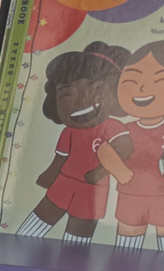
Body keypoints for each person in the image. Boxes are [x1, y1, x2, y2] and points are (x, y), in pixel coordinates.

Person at [13, 44, 126, 241]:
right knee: (41, 217)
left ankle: (73, 259)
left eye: (95, 90)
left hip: (93, 189)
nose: (81, 101)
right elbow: (61, 156)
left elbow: (123, 149)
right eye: (67, 94)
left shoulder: (113, 127)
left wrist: (101, 171)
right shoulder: (68, 132)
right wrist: (50, 173)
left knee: (79, 232)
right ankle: (19, 243)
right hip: (64, 181)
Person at [97, 40, 164, 251]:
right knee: (128, 236)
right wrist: (119, 171)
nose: (142, 88)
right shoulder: (124, 127)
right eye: (131, 79)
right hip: (131, 194)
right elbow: (104, 149)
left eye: (161, 80)